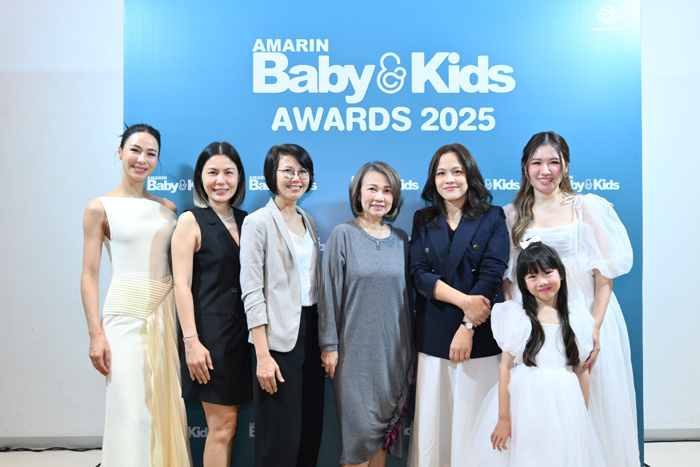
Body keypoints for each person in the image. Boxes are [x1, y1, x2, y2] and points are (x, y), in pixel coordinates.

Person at [502, 131, 638, 466]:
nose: (545, 170)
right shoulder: (512, 215)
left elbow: (603, 278)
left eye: (554, 162)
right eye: (537, 162)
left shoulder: (585, 207)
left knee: (590, 402)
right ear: (525, 167)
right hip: (535, 324)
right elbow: (508, 279)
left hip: (582, 316)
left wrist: (595, 327)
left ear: (565, 166)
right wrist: (517, 322)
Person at [80, 124, 191, 466]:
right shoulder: (99, 208)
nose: (142, 159)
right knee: (131, 413)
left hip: (164, 315)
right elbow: (89, 274)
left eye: (151, 153)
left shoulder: (168, 208)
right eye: (135, 150)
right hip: (123, 316)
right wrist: (95, 334)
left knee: (161, 410)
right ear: (120, 153)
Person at [407, 144, 509, 467]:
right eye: (441, 173)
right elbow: (418, 274)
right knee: (434, 430)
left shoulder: (493, 216)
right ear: (433, 179)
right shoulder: (423, 219)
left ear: (469, 174)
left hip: (479, 337)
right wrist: (465, 303)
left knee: (473, 426)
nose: (449, 179)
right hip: (434, 334)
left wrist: (467, 325)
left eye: (456, 171)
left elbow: (493, 273)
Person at [465, 241, 605, 467]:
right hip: (526, 399)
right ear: (523, 284)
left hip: (565, 400)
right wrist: (504, 417)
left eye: (548, 273)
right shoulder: (517, 317)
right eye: (532, 276)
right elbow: (506, 367)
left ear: (561, 274)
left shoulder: (577, 318)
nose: (542, 282)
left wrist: (582, 415)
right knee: (529, 452)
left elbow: (582, 371)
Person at [319, 161, 415, 467]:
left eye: (387, 190)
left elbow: (407, 299)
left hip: (394, 357)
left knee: (382, 441)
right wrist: (329, 346)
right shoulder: (343, 235)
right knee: (358, 445)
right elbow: (328, 294)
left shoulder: (402, 240)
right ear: (358, 194)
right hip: (352, 358)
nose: (379, 197)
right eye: (372, 189)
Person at [240, 144, 324, 467]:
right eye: (287, 171)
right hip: (276, 340)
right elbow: (252, 292)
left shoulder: (309, 221)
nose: (296, 178)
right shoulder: (257, 222)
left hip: (311, 331)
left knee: (309, 428)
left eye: (302, 172)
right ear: (271, 175)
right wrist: (262, 356)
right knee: (279, 436)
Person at [171, 142, 252, 467]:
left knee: (229, 426)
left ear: (239, 177)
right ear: (200, 178)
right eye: (212, 172)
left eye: (228, 172)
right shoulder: (191, 221)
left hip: (244, 338)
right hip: (210, 340)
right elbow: (180, 285)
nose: (221, 180)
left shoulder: (248, 221)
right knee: (222, 427)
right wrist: (191, 342)